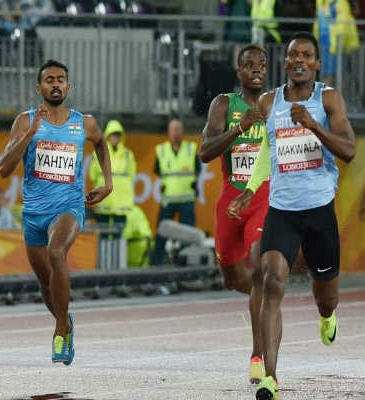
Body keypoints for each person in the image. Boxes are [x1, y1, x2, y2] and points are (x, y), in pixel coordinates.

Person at [227, 32, 355, 400]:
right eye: (293, 55)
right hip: (282, 211)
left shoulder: (327, 99)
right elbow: (266, 154)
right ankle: (270, 378)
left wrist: (314, 125)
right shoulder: (269, 103)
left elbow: (349, 151)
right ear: (284, 63)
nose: (299, 60)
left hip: (319, 211)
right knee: (271, 281)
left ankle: (327, 315)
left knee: (326, 295)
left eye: (306, 55)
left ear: (317, 64)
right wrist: (249, 192)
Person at [0, 59, 113, 365]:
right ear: (39, 88)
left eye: (60, 79)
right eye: (49, 80)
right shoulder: (25, 121)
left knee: (56, 251)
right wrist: (30, 134)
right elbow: (4, 169)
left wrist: (108, 182)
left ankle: (60, 331)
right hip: (34, 213)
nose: (56, 84)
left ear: (68, 86)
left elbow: (101, 143)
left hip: (69, 206)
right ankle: (65, 320)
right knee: (45, 285)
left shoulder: (84, 123)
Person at [199, 43, 269, 384]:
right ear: (239, 71)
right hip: (231, 199)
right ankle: (265, 297)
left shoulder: (274, 104)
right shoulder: (224, 104)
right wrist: (239, 129)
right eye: (249, 64)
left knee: (259, 267)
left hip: (263, 198)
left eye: (262, 64)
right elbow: (204, 152)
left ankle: (257, 355)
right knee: (230, 277)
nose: (256, 69)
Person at [152, 118, 200, 265]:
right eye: (173, 130)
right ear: (168, 132)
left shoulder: (191, 149)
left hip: (187, 200)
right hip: (168, 200)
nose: (175, 133)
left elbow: (198, 169)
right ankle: (156, 265)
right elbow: (157, 170)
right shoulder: (161, 150)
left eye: (178, 129)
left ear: (182, 131)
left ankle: (186, 265)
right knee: (161, 233)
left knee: (188, 235)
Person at [88, 119, 136, 240]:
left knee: (118, 237)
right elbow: (93, 174)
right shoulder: (99, 153)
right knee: (102, 236)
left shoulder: (128, 154)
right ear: (107, 135)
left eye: (117, 134)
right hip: (104, 201)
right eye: (113, 134)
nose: (115, 137)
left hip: (121, 203)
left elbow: (132, 174)